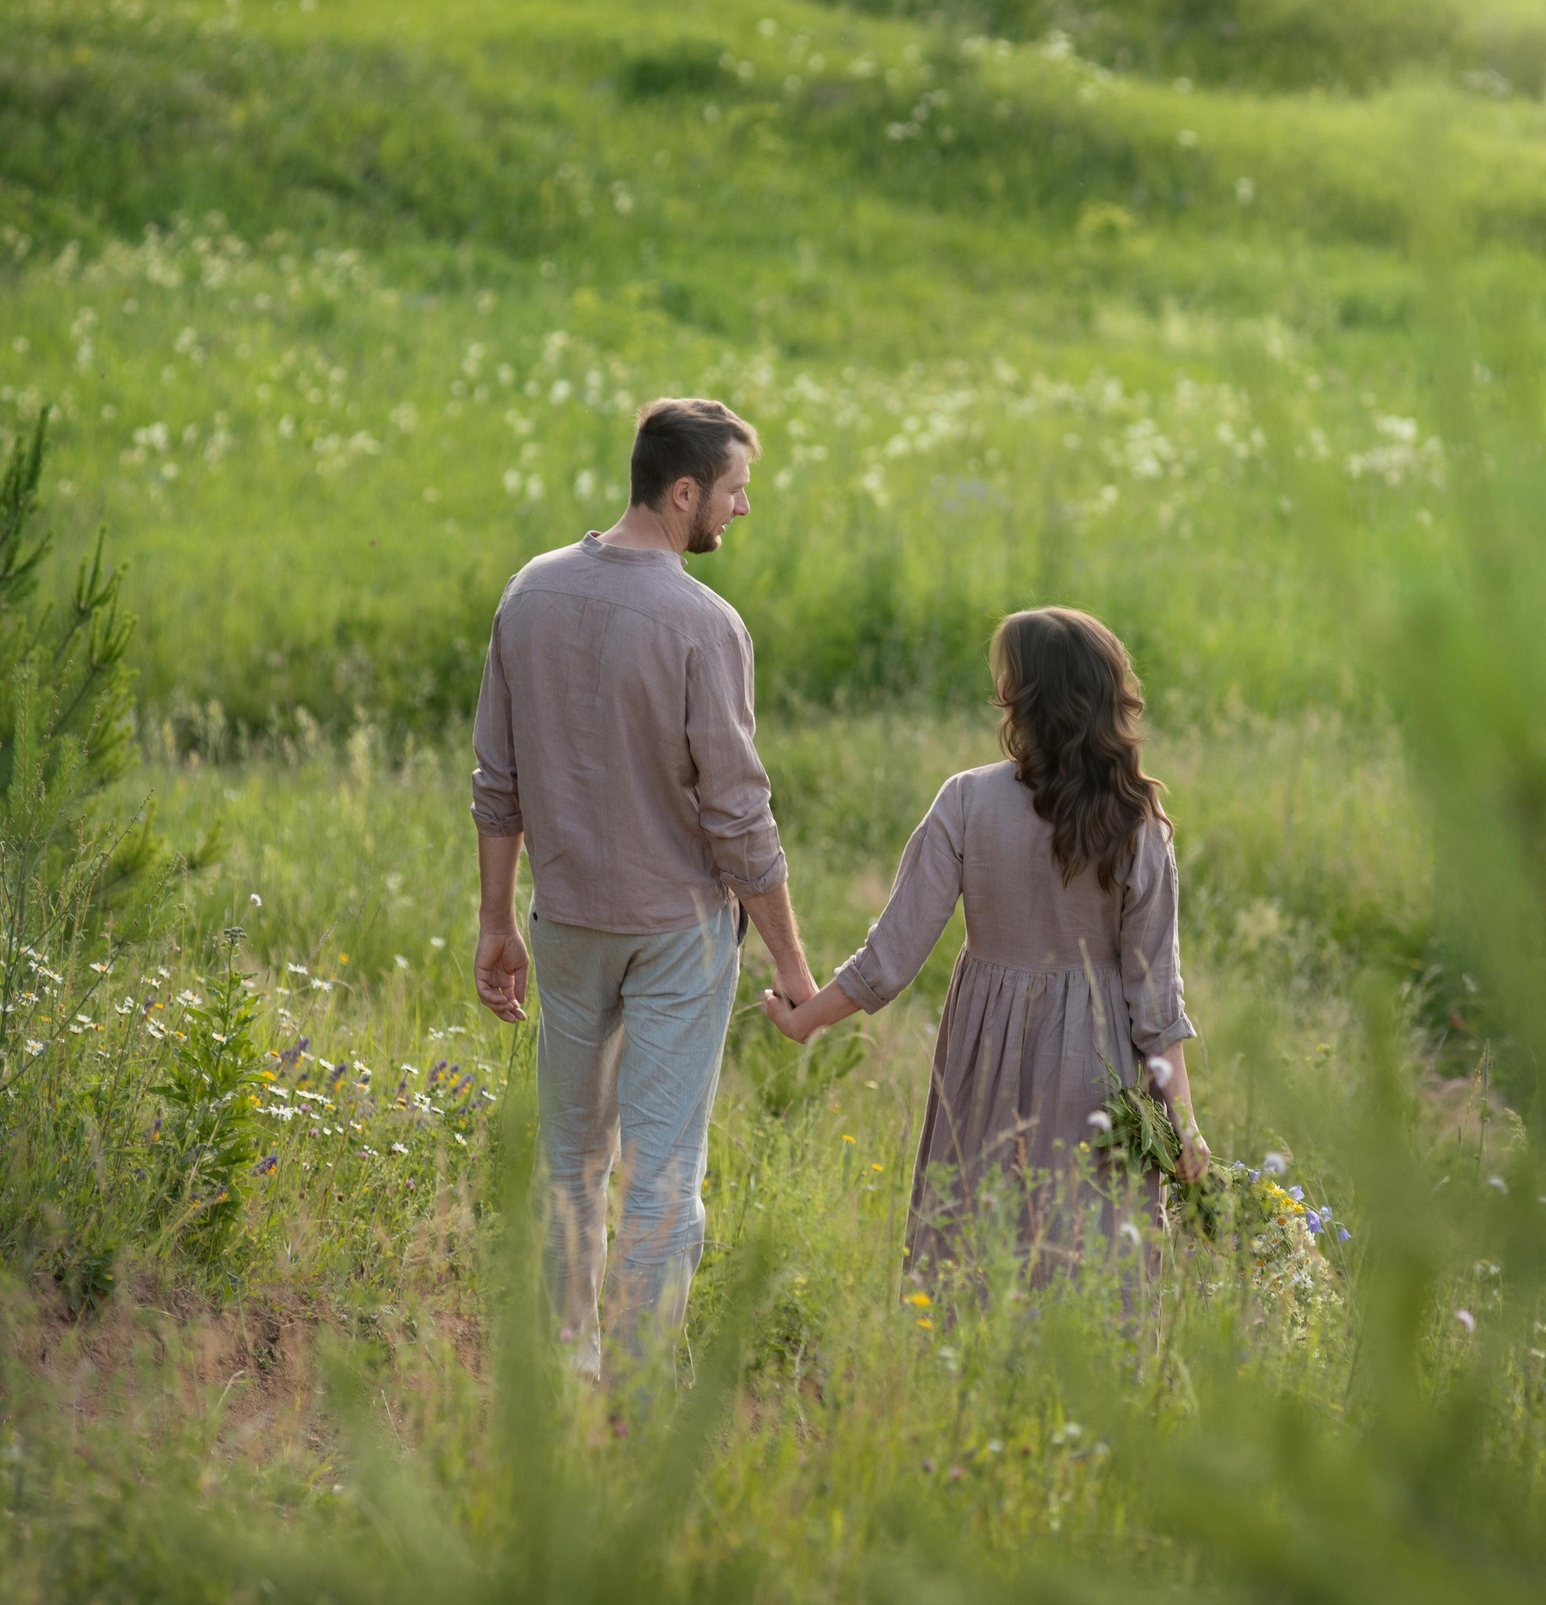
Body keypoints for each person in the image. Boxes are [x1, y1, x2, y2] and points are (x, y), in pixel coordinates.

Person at [469, 396, 818, 1378]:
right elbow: (739, 820)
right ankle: (632, 1393)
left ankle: (563, 1369)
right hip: (677, 933)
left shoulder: (528, 593)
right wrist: (793, 964)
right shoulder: (705, 624)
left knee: (570, 1160)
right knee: (664, 1175)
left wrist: (497, 921)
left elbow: (497, 783)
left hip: (568, 920)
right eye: (734, 492)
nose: (740, 510)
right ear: (683, 490)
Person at [761, 607, 1211, 1277]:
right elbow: (1155, 1004)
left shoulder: (967, 800)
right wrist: (1184, 1125)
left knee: (975, 1237)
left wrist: (807, 1017)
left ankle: (968, 1373)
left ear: (1017, 698)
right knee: (1088, 1245)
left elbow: (891, 956)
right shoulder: (1138, 824)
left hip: (986, 1047)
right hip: (1100, 1063)